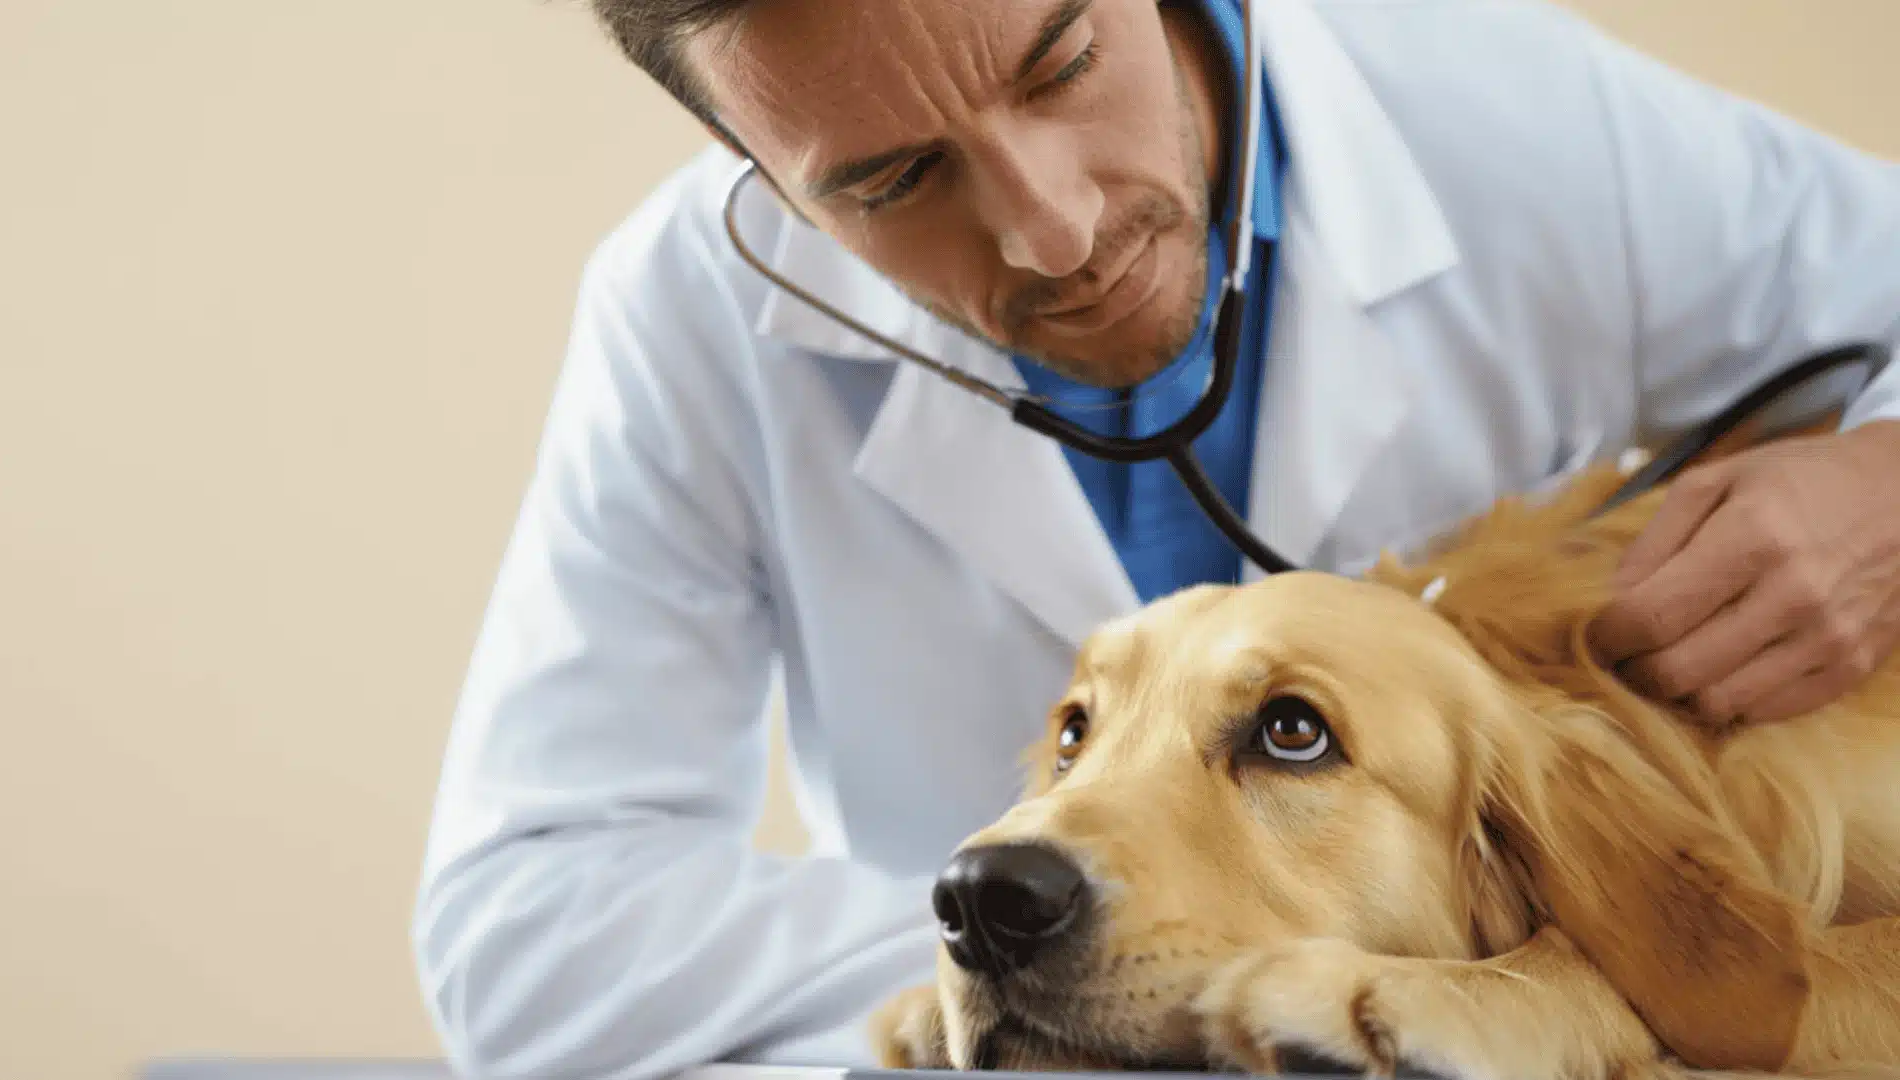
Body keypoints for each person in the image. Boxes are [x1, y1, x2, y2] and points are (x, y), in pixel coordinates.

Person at [411, 0, 1900, 1077]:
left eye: (1061, 61)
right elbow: (529, 924)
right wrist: (1069, 959)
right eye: (892, 181)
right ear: (766, 181)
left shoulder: (1516, 114)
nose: (1051, 230)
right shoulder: (689, 321)